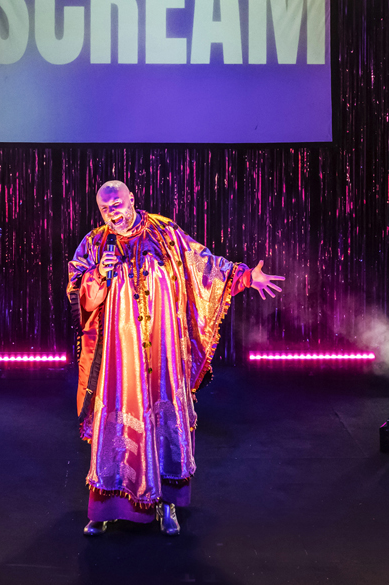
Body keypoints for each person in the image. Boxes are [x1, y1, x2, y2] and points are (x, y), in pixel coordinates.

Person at [66, 180, 283, 537]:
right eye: (105, 208)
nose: (112, 213)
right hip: (120, 359)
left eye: (117, 204)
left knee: (167, 418)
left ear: (132, 199)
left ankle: (167, 504)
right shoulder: (94, 243)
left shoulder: (165, 233)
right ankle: (106, 506)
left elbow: (204, 266)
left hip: (163, 351)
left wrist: (245, 276)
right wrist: (99, 274)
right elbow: (79, 295)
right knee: (117, 424)